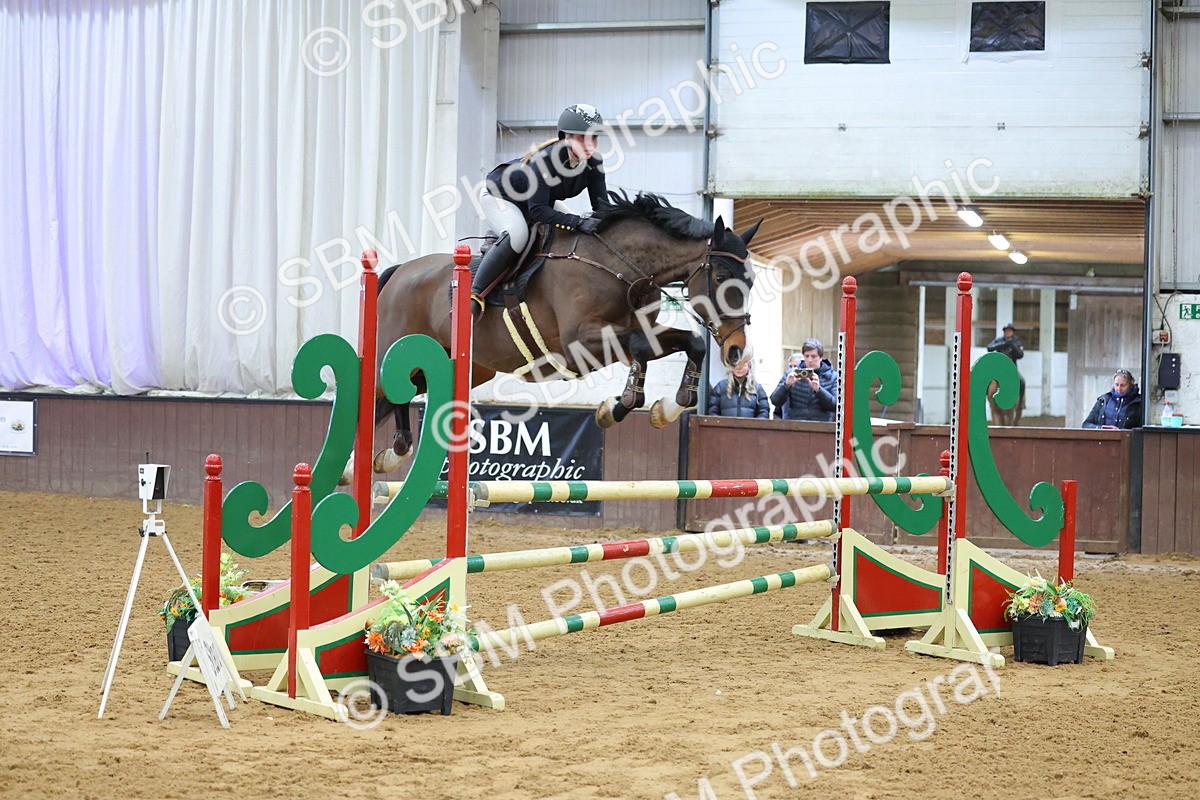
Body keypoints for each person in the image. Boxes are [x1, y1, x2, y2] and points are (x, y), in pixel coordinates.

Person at [470, 104, 608, 319]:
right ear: (565, 137)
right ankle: (475, 294)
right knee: (518, 235)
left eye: (594, 138)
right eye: (583, 138)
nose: (590, 145)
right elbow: (538, 212)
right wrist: (578, 221)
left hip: (538, 200)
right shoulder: (545, 161)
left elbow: (601, 207)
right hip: (501, 197)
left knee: (574, 230)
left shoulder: (594, 162)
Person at [770, 339, 838, 422]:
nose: (810, 360)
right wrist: (786, 385)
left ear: (821, 358)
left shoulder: (833, 377)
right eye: (806, 356)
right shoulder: (791, 374)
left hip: (821, 428)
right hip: (794, 427)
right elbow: (775, 401)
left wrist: (819, 390)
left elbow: (836, 406)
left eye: (813, 356)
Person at [986, 323, 1025, 425]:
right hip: (999, 368)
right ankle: (989, 400)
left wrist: (1011, 345)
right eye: (1006, 331)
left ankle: (1020, 403)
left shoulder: (1016, 341)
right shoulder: (999, 340)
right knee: (987, 381)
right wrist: (1002, 344)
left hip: (1012, 368)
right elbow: (989, 347)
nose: (1008, 332)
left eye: (1010, 331)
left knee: (1022, 381)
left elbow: (1020, 354)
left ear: (1012, 332)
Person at [773, 353, 803, 419]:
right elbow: (776, 405)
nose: (792, 369)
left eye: (795, 366)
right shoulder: (785, 381)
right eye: (790, 366)